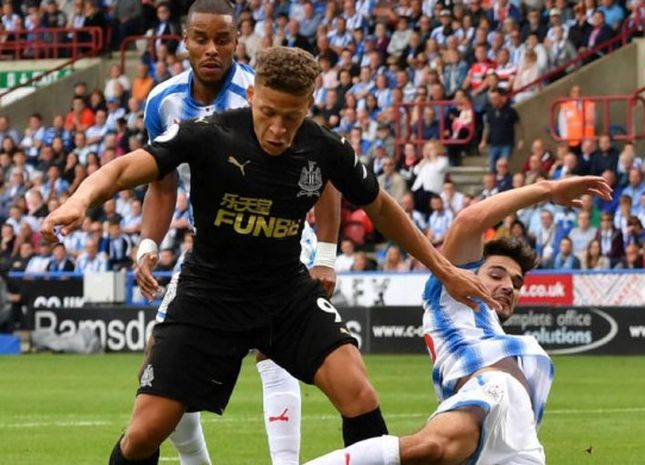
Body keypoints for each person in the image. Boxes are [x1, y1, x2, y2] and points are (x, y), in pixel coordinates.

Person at [42, 46, 498, 465]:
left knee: (359, 393)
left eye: (292, 117)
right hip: (208, 295)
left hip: (284, 292)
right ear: (252, 93)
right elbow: (127, 167)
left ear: (309, 106)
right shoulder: (209, 135)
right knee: (144, 434)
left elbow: (380, 205)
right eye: (268, 113)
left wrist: (445, 268)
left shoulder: (325, 148)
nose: (279, 129)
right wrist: (80, 201)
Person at [137, 2, 341, 464]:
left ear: (237, 40)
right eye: (201, 39)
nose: (212, 49)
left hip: (282, 238)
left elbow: (324, 168)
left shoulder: (262, 90)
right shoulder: (161, 101)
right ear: (184, 40)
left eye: (223, 39)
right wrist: (149, 243)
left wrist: (326, 253)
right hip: (215, 249)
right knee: (161, 366)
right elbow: (161, 183)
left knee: (273, 352)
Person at [304, 176, 612, 465]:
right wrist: (547, 189)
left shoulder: (485, 323)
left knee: (431, 449)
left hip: (518, 429)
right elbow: (469, 220)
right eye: (496, 274)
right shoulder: (453, 288)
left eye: (517, 283)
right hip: (492, 393)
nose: (508, 285)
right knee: (430, 447)